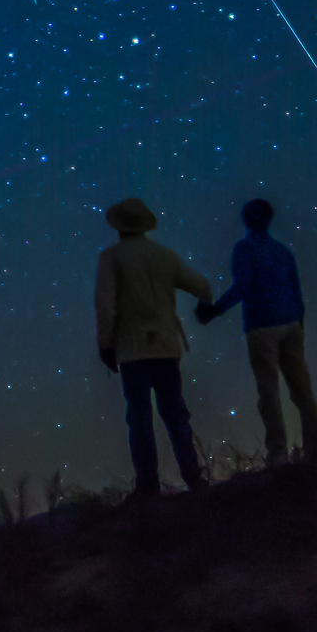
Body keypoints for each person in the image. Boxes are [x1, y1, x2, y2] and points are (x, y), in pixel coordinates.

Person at [93, 196, 215, 497]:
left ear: (119, 226)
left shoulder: (112, 257)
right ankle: (193, 478)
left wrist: (105, 344)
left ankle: (147, 485)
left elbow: (105, 305)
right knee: (175, 413)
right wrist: (204, 307)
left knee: (139, 417)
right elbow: (201, 285)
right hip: (165, 345)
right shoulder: (165, 256)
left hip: (132, 348)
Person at [197, 198, 317, 465]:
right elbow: (298, 294)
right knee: (302, 390)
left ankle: (277, 453)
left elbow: (242, 288)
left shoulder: (245, 249)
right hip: (291, 323)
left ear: (245, 220)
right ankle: (316, 453)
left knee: (269, 391)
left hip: (262, 326)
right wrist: (298, 323)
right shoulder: (283, 251)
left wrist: (213, 311)